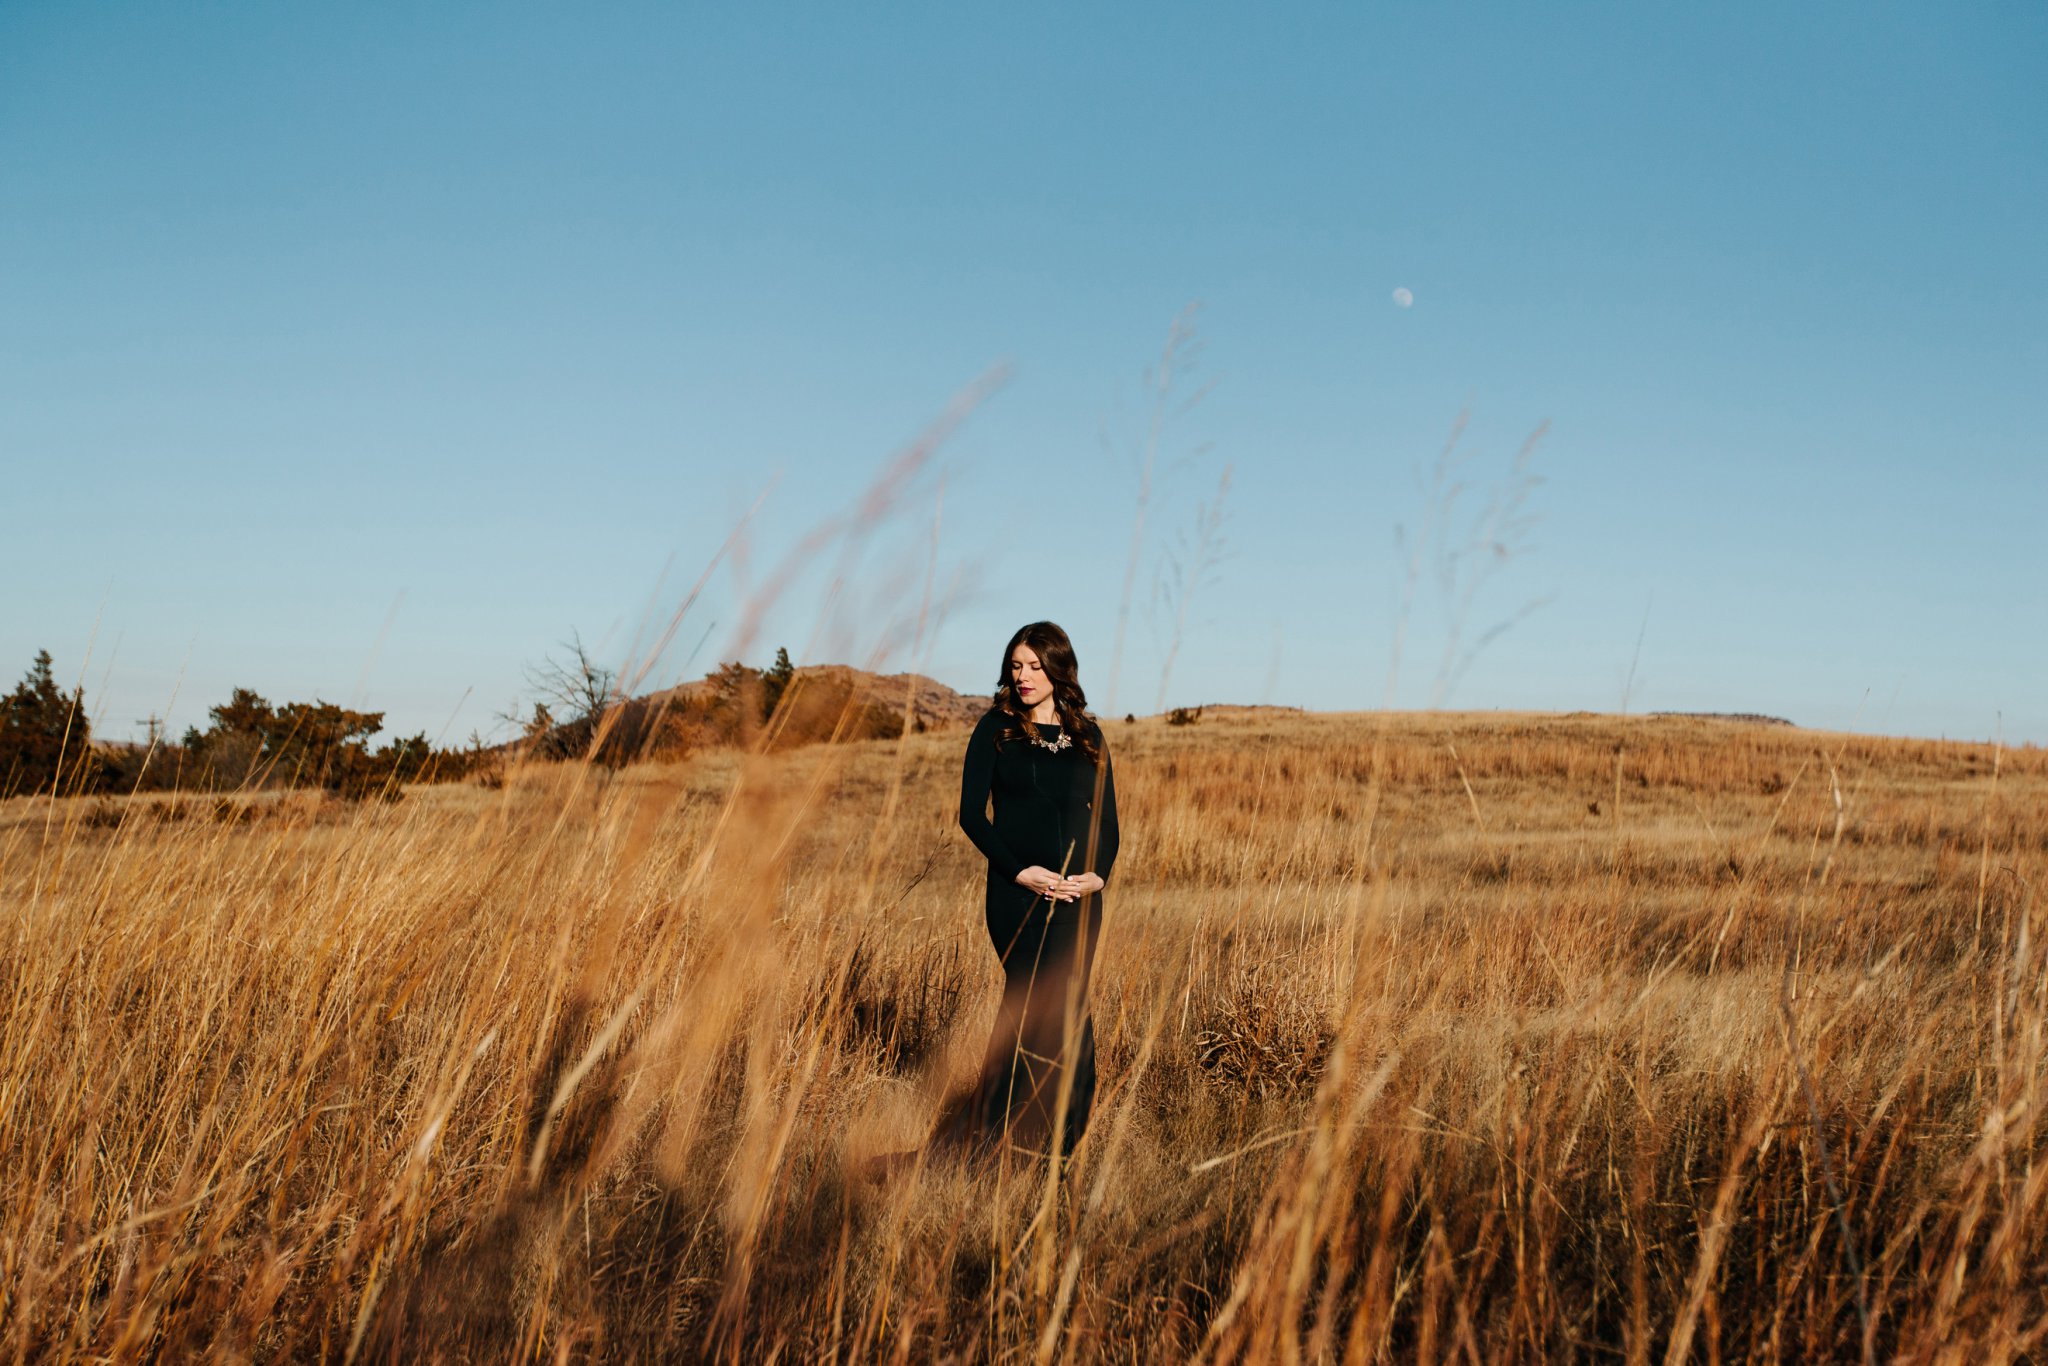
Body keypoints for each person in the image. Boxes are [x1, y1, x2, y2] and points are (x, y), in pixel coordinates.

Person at [932, 620, 1120, 1163]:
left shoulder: (1088, 735)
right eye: (1016, 666)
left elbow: (1106, 820)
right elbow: (971, 816)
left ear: (1059, 669)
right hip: (1017, 899)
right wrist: (1020, 872)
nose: (1024, 676)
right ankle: (986, 1144)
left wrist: (1099, 874)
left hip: (1079, 901)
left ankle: (1061, 1146)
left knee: (1071, 1013)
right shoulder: (996, 729)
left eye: (1035, 666)